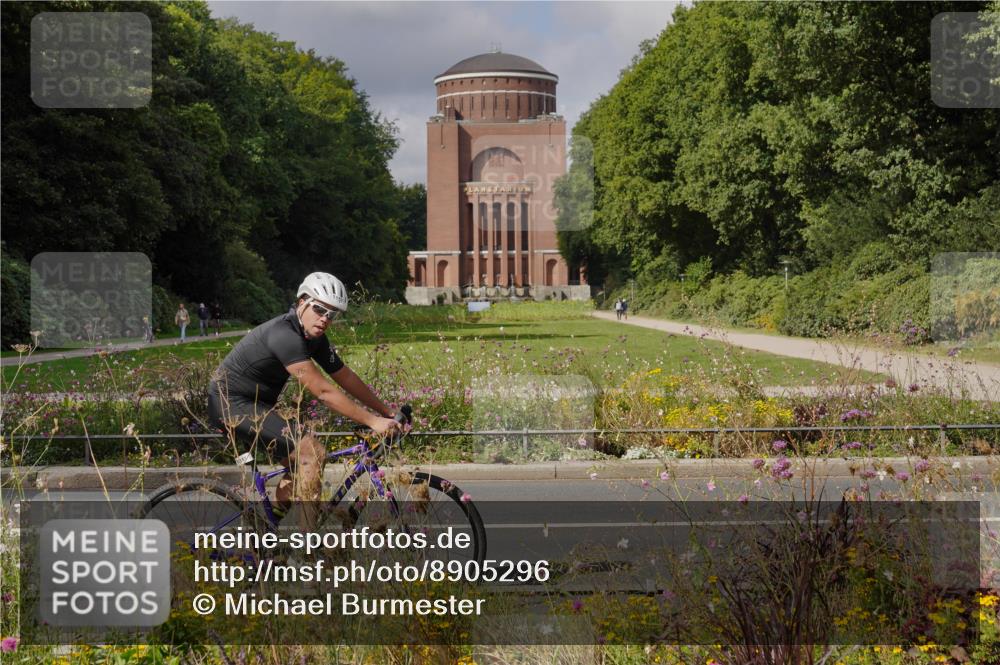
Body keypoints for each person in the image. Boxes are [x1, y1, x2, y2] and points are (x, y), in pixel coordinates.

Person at [207, 272, 403, 527]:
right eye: (320, 310)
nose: (324, 319)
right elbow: (323, 392)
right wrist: (371, 421)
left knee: (300, 469)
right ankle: (307, 551)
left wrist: (385, 411)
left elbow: (345, 377)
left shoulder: (315, 338)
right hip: (230, 405)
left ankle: (267, 534)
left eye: (332, 315)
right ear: (301, 302)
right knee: (312, 453)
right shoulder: (284, 335)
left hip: (257, 405)